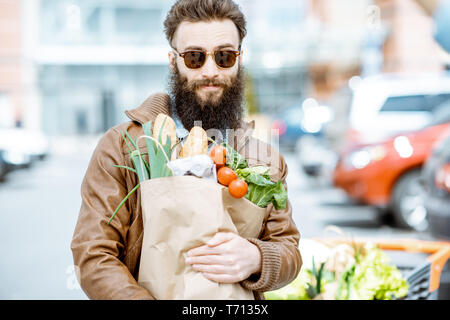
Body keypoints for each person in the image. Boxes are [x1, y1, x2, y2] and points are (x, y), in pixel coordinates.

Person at [71, 0, 302, 300]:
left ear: (240, 60)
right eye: (194, 57)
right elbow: (93, 256)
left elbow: (288, 250)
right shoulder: (121, 147)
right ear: (173, 61)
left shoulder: (264, 160)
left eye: (224, 57)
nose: (210, 71)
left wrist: (257, 258)